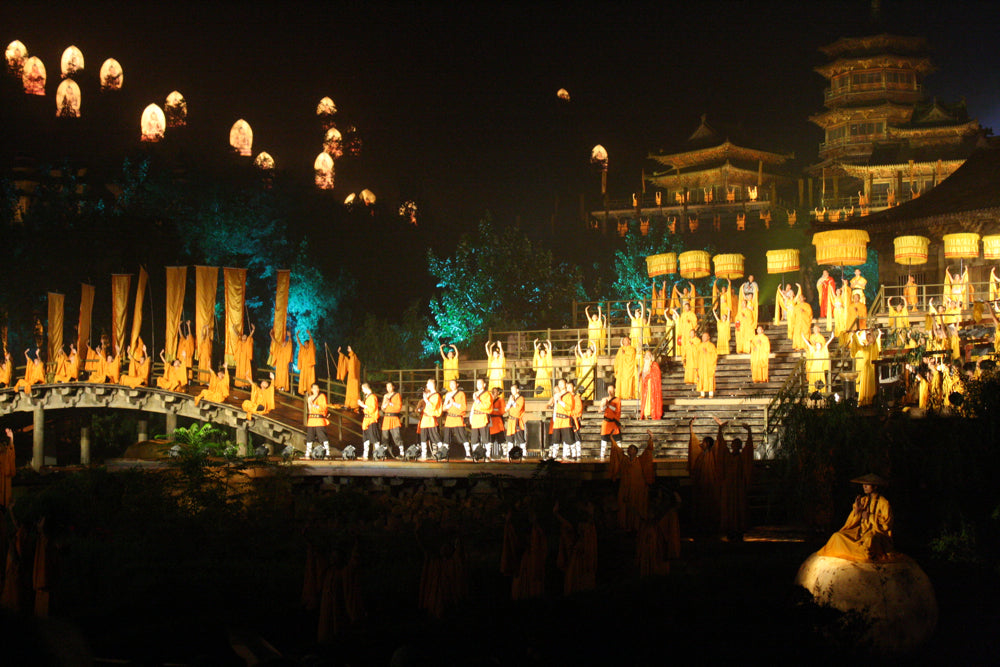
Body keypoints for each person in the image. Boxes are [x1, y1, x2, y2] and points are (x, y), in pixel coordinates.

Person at [819, 474, 894, 562]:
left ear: (875, 486)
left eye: (867, 484)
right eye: (863, 484)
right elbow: (851, 523)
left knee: (869, 542)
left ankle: (861, 552)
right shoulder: (863, 500)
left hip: (875, 534)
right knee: (837, 536)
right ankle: (856, 550)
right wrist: (857, 511)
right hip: (859, 532)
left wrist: (870, 517)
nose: (864, 486)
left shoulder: (884, 503)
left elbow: (886, 525)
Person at [609, 431, 656, 532]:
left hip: (637, 489)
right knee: (625, 509)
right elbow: (617, 451)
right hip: (625, 488)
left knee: (636, 509)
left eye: (632, 449)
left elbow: (648, 451)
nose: (630, 450)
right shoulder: (624, 460)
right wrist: (612, 439)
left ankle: (637, 527)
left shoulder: (640, 460)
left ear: (636, 451)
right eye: (629, 448)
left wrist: (651, 438)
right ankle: (625, 526)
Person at [688, 416, 726, 533]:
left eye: (704, 442)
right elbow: (693, 442)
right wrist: (690, 427)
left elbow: (719, 443)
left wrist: (720, 428)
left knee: (712, 507)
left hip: (712, 485)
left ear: (709, 444)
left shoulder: (713, 454)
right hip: (702, 486)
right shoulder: (700, 455)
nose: (702, 444)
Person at [720, 424, 754, 540]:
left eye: (737, 444)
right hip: (729, 486)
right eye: (733, 443)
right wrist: (720, 430)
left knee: (739, 508)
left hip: (739, 486)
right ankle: (729, 528)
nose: (734, 445)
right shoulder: (727, 456)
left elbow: (749, 449)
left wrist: (749, 432)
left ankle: (738, 528)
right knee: (729, 507)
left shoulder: (742, 457)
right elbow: (721, 447)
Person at [851, 329, 881, 406]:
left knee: (871, 385)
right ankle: (864, 401)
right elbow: (857, 345)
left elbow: (874, 341)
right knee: (864, 384)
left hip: (871, 368)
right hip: (865, 368)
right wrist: (856, 335)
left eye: (870, 337)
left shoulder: (873, 346)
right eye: (868, 337)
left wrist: (871, 332)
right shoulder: (864, 347)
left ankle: (871, 401)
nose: (869, 338)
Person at [442, 379, 470, 459]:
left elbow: (463, 407)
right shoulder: (448, 394)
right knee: (446, 436)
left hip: (458, 418)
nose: (451, 386)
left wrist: (453, 403)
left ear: (457, 384)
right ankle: (444, 453)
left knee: (462, 436)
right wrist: (450, 404)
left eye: (453, 384)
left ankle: (468, 453)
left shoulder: (461, 394)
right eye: (450, 384)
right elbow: (443, 408)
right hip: (449, 417)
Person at [417, 378, 443, 461]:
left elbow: (433, 407)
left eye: (427, 384)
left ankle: (442, 453)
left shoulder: (436, 395)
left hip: (431, 418)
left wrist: (426, 400)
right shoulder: (429, 395)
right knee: (423, 437)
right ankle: (423, 454)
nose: (426, 385)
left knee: (435, 437)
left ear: (432, 384)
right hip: (424, 418)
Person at [803, 326, 834, 391]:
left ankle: (821, 391)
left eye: (819, 345)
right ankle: (812, 391)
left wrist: (831, 337)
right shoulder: (813, 350)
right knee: (813, 379)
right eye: (817, 345)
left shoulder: (823, 351)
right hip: (814, 368)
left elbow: (826, 344)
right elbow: (808, 344)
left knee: (820, 380)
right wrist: (803, 337)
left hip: (820, 368)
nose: (818, 346)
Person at [304, 383, 330, 459]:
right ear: (311, 390)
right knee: (309, 437)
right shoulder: (309, 398)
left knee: (322, 436)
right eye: (315, 388)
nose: (316, 390)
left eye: (317, 388)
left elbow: (323, 408)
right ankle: (307, 453)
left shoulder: (322, 396)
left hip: (319, 419)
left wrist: (314, 405)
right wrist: (310, 402)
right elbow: (310, 410)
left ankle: (327, 452)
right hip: (312, 419)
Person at [469, 377, 493, 459]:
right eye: (477, 384)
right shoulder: (475, 393)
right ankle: (476, 454)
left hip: (482, 417)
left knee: (485, 437)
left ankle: (488, 455)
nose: (478, 385)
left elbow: (487, 406)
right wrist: (471, 417)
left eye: (480, 383)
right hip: (475, 417)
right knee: (474, 438)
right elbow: (474, 407)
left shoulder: (487, 394)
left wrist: (477, 400)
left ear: (484, 384)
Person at [380, 382, 404, 458]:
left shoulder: (397, 395)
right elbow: (382, 408)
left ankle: (402, 453)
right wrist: (385, 404)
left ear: (393, 387)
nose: (388, 388)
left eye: (390, 386)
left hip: (394, 418)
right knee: (385, 437)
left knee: (396, 436)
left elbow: (398, 408)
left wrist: (390, 403)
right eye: (387, 387)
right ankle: (385, 453)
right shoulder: (385, 396)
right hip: (386, 418)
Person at [598, 384, 621, 460]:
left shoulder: (617, 400)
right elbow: (600, 410)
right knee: (604, 439)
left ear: (614, 390)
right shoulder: (604, 399)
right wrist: (604, 405)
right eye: (609, 390)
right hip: (606, 422)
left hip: (613, 422)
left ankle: (619, 454)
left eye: (611, 389)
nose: (610, 391)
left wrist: (609, 405)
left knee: (617, 440)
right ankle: (602, 455)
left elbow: (617, 410)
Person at [358, 382, 380, 460]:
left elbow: (372, 408)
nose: (362, 391)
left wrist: (363, 405)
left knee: (374, 437)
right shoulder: (367, 397)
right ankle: (365, 454)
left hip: (371, 419)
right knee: (366, 438)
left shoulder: (372, 397)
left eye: (363, 389)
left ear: (365, 388)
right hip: (366, 419)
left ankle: (378, 454)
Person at [504, 383, 526, 458]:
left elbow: (518, 409)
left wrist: (513, 402)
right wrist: (509, 402)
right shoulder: (511, 398)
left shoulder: (521, 398)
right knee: (510, 438)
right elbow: (506, 409)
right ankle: (509, 453)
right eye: (511, 389)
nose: (512, 391)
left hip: (517, 420)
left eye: (513, 389)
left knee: (520, 437)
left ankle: (523, 453)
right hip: (510, 420)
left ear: (517, 390)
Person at [336, 346, 361, 411]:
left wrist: (351, 351)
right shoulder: (350, 359)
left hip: (355, 378)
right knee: (349, 391)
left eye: (349, 349)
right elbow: (345, 359)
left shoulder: (355, 359)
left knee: (354, 392)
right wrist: (339, 353)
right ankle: (348, 404)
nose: (348, 350)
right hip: (350, 378)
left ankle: (355, 405)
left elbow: (353, 360)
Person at [638, 351, 662, 420]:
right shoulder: (643, 366)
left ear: (651, 357)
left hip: (652, 386)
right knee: (645, 400)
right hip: (645, 386)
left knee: (651, 399)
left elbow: (657, 375)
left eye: (648, 355)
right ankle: (646, 414)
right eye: (645, 355)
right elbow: (641, 376)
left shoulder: (654, 365)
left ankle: (652, 413)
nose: (647, 357)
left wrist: (649, 374)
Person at [791, 286, 813, 351]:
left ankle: (805, 345)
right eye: (799, 298)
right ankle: (797, 346)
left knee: (805, 333)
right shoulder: (796, 307)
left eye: (801, 298)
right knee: (797, 334)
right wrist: (793, 324)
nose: (800, 299)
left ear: (804, 298)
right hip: (798, 323)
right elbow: (794, 316)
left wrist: (804, 312)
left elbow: (810, 314)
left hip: (805, 322)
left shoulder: (807, 306)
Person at [233, 323, 255, 389]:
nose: (244, 337)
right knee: (240, 371)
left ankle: (246, 384)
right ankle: (240, 384)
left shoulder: (247, 342)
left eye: (245, 336)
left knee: (246, 370)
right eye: (243, 336)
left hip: (246, 360)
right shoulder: (239, 342)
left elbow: (250, 336)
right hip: (240, 360)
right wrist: (234, 328)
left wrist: (253, 330)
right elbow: (237, 335)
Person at [696, 331, 717, 398]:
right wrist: (696, 365)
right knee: (701, 378)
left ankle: (711, 393)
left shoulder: (711, 346)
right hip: (701, 366)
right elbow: (697, 356)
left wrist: (707, 352)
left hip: (709, 366)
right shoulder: (700, 346)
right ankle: (702, 394)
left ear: (708, 337)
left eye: (705, 336)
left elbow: (715, 356)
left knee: (709, 378)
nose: (704, 338)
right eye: (703, 336)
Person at [296, 330, 316, 395]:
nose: (305, 345)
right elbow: (299, 343)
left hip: (309, 368)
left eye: (306, 344)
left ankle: (310, 391)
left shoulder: (310, 350)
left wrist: (309, 334)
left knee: (309, 379)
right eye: (305, 344)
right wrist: (297, 335)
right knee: (303, 379)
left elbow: (312, 342)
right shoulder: (303, 349)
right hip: (304, 368)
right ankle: (304, 390)